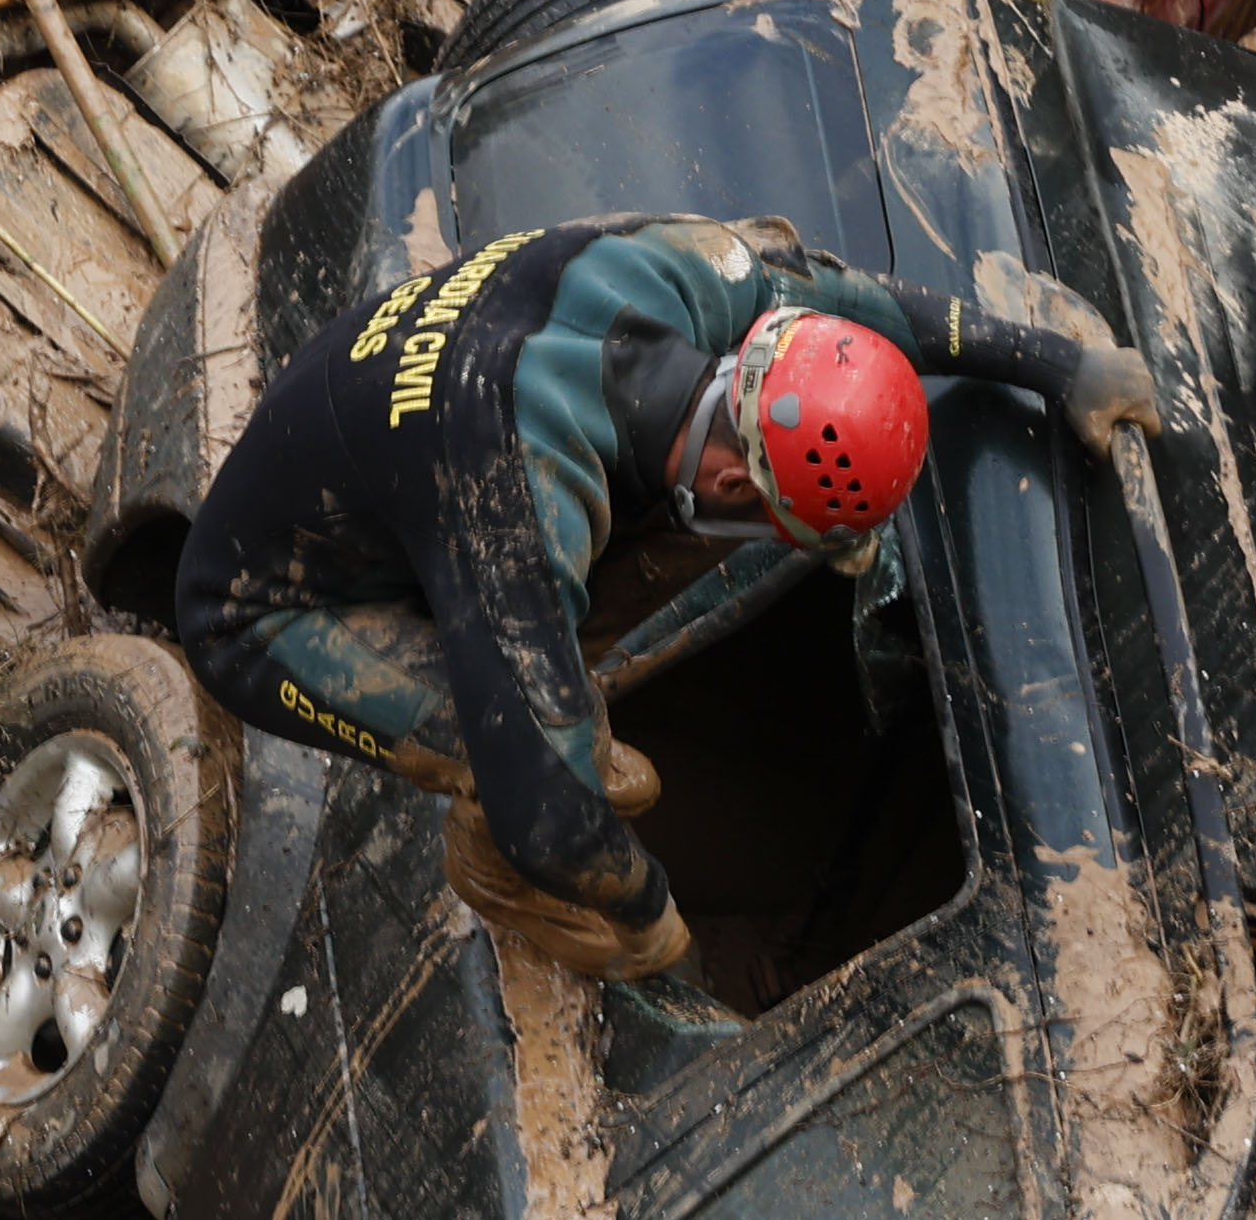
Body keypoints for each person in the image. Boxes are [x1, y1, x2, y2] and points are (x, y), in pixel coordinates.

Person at [176, 213, 1157, 977]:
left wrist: (1051, 362)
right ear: (736, 483)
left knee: (560, 689)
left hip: (381, 441)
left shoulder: (700, 274)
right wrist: (654, 923)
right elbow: (547, 817)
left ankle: (509, 658)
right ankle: (495, 881)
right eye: (776, 515)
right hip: (266, 611)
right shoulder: (520, 502)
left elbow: (865, 305)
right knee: (566, 769)